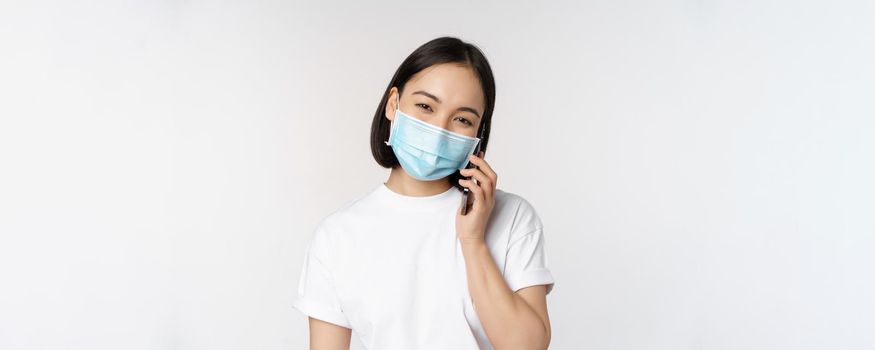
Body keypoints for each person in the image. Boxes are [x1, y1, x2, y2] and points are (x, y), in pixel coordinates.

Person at [292, 36, 555, 350]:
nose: (439, 128)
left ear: (478, 134)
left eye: (462, 119)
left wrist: (473, 242)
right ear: (393, 104)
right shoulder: (337, 236)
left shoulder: (513, 218)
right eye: (425, 106)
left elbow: (527, 347)